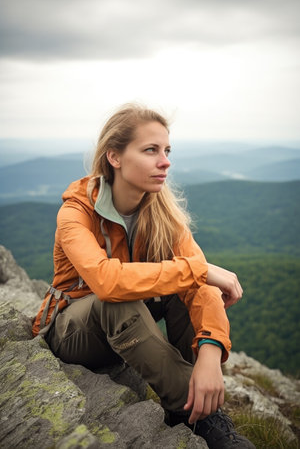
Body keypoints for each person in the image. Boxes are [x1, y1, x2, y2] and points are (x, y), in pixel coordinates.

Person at [32, 104, 255, 449]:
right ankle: (197, 410)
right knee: (117, 300)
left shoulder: (164, 214)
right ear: (115, 157)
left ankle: (189, 407)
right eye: (150, 150)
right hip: (72, 332)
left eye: (167, 151)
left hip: (129, 328)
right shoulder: (75, 212)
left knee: (187, 288)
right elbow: (107, 282)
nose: (164, 161)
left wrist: (211, 351)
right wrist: (200, 270)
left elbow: (199, 288)